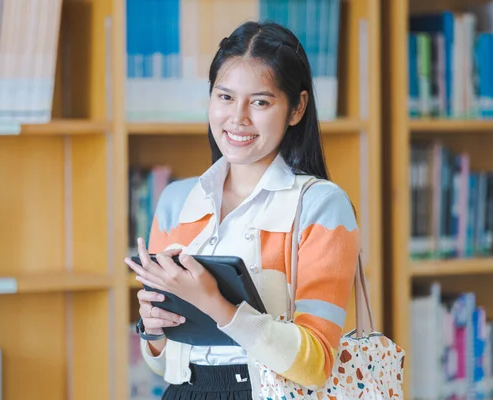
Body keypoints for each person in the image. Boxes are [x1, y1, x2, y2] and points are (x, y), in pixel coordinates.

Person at [126, 20, 359, 400]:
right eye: (225, 97)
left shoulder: (322, 205)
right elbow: (166, 366)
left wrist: (216, 304)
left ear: (297, 108)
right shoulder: (176, 202)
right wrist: (153, 330)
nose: (238, 118)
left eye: (261, 102)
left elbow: (317, 364)